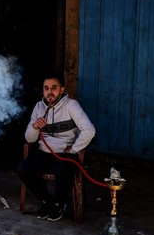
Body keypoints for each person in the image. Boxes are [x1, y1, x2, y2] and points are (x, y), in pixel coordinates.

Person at [18, 76, 96, 221]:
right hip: (44, 152)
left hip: (66, 152)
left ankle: (59, 203)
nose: (50, 92)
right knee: (23, 169)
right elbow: (29, 139)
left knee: (63, 172)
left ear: (62, 89)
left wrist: (74, 149)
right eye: (46, 88)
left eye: (54, 87)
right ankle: (47, 200)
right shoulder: (39, 107)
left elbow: (89, 130)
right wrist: (35, 127)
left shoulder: (71, 105)